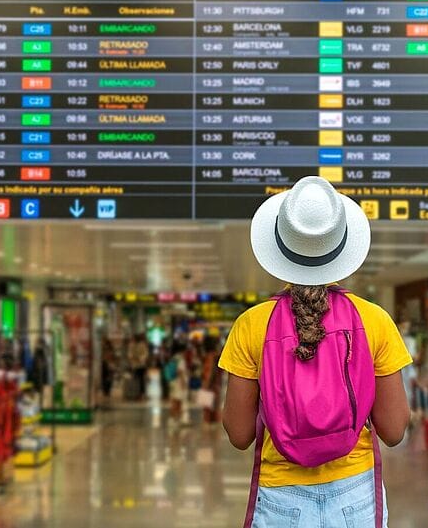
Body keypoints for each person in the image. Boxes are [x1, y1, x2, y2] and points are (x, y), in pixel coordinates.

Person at [220, 176, 413, 527]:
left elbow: (238, 434)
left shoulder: (252, 325)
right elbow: (395, 429)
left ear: (280, 246)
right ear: (342, 245)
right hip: (356, 495)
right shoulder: (374, 320)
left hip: (281, 498)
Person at [200, 336, 224, 425]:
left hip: (210, 385)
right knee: (215, 407)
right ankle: (214, 432)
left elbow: (208, 372)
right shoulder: (217, 355)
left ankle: (208, 434)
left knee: (207, 409)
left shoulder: (209, 356)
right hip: (217, 384)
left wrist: (205, 385)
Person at [167, 341, 190, 425]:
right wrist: (184, 382)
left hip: (173, 382)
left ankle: (175, 419)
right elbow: (180, 371)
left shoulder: (174, 358)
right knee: (177, 401)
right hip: (178, 383)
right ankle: (174, 419)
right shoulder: (181, 359)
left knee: (175, 401)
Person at [128, 334, 149, 401]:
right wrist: (132, 358)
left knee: (141, 380)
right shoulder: (132, 345)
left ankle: (141, 394)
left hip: (141, 365)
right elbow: (129, 354)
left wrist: (140, 358)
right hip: (135, 365)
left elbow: (145, 354)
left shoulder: (142, 345)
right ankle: (137, 393)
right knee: (136, 380)